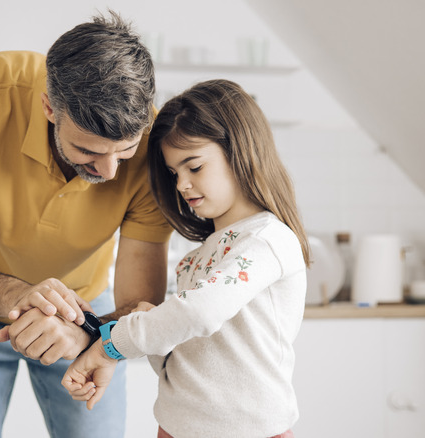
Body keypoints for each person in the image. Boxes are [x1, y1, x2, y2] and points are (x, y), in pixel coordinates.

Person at [0, 11, 173, 438]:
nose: (108, 173)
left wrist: (84, 333)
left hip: (86, 313)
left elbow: (142, 304)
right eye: (88, 151)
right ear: (50, 107)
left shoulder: (154, 149)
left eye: (123, 153)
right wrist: (23, 297)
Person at [60, 79, 311, 438]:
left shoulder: (267, 240)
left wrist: (110, 347)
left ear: (240, 150)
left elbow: (199, 312)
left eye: (194, 167)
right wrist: (132, 331)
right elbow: (180, 356)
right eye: (174, 172)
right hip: (175, 427)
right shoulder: (194, 260)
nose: (181, 184)